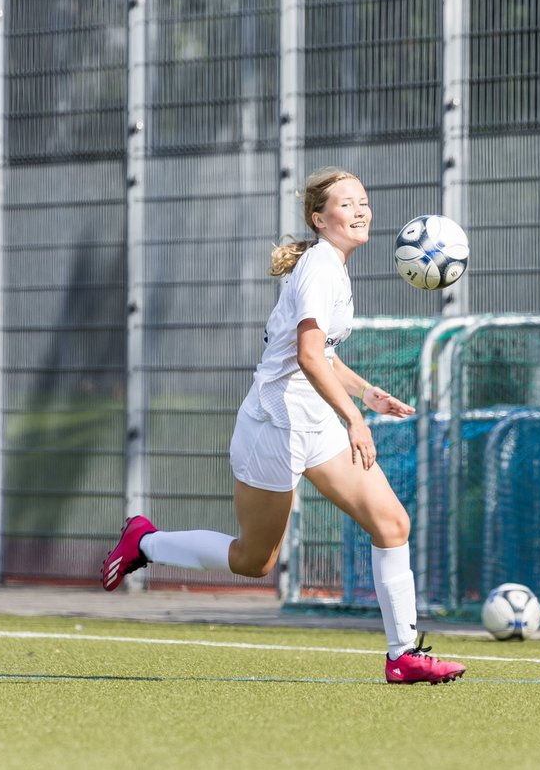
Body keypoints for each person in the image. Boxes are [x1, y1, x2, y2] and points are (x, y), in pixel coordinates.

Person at [102, 167, 466, 685]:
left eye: (363, 200)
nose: (360, 210)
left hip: (313, 424)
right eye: (346, 204)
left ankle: (402, 655)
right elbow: (308, 357)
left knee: (391, 524)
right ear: (320, 219)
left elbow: (325, 356)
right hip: (272, 426)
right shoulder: (320, 267)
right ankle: (146, 543)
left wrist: (367, 393)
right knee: (254, 561)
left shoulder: (335, 267)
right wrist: (355, 419)